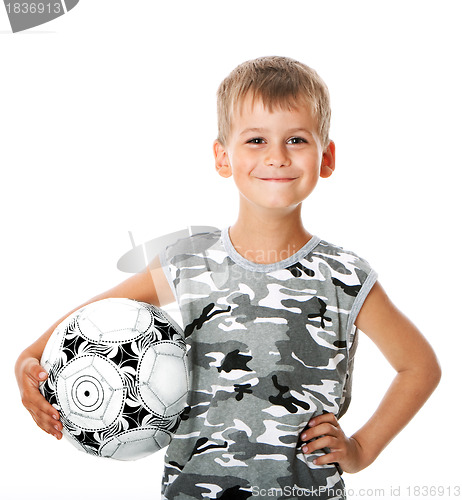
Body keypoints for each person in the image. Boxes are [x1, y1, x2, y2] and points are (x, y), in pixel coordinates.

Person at [15, 56, 441, 499]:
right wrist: (28, 359)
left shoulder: (344, 276)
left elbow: (419, 367)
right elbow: (92, 318)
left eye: (296, 139)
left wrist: (360, 450)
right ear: (223, 157)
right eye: (256, 140)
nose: (276, 156)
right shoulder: (186, 261)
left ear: (326, 157)